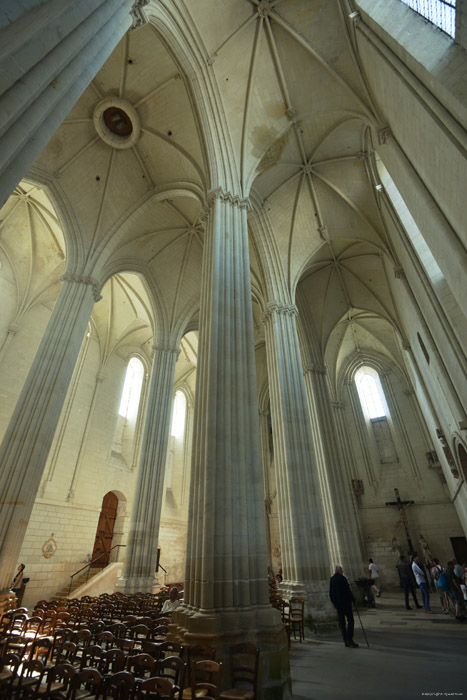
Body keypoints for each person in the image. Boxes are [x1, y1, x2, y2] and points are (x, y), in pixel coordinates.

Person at [329, 565, 359, 648]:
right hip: (346, 603)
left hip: (338, 604)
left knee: (342, 622)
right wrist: (354, 600)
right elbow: (347, 591)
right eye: (342, 570)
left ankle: (345, 640)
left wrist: (334, 603)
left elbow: (331, 593)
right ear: (339, 570)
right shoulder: (343, 578)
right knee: (350, 620)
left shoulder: (332, 579)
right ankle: (350, 639)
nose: (343, 572)